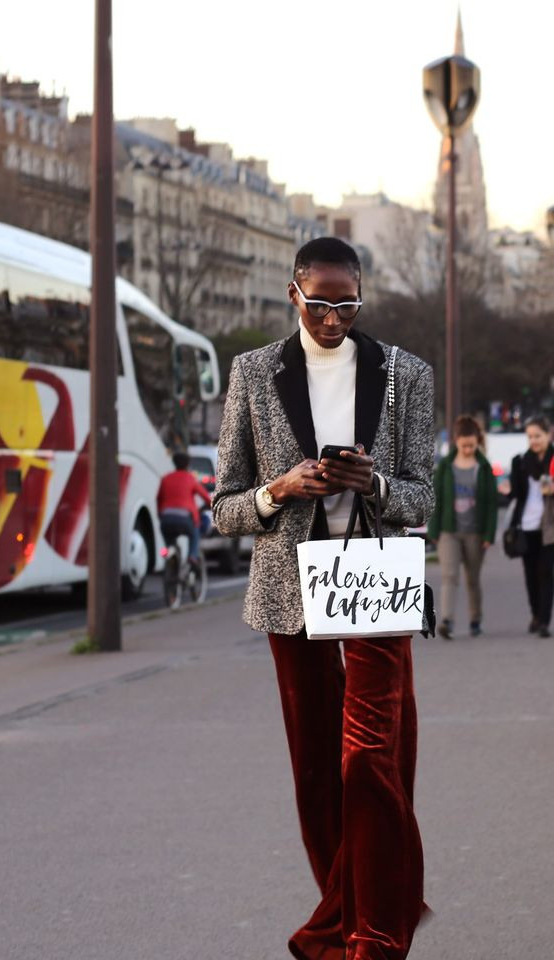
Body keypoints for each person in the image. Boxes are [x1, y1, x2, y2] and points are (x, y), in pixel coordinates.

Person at [212, 237, 435, 960]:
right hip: (290, 591)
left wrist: (373, 482)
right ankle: (346, 919)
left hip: (374, 580)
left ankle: (374, 935)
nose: (334, 319)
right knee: (315, 770)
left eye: (348, 305)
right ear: (294, 294)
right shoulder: (253, 373)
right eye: (320, 305)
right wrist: (280, 489)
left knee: (370, 757)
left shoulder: (405, 374)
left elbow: (422, 495)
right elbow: (224, 507)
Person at [428, 414, 498, 640]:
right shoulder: (445, 467)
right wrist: (434, 530)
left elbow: (492, 504)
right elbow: (436, 499)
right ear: (456, 441)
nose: (467, 449)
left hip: (475, 532)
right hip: (449, 531)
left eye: (471, 445)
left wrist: (489, 534)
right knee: (449, 576)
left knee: (472, 579)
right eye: (463, 445)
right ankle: (447, 621)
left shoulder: (484, 468)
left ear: (478, 442)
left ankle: (476, 620)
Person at [506, 416, 554, 637]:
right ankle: (535, 614)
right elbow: (516, 494)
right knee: (530, 576)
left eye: (538, 436)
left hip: (549, 527)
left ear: (548, 435)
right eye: (530, 437)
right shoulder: (521, 462)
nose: (534, 441)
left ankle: (544, 621)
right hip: (526, 526)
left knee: (546, 574)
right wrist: (508, 490)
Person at [157, 451, 211, 564]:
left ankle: (168, 552)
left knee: (169, 540)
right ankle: (192, 556)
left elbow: (158, 499)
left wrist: (160, 515)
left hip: (166, 519)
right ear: (187, 464)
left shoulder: (166, 478)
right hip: (185, 520)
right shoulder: (190, 479)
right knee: (195, 533)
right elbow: (206, 498)